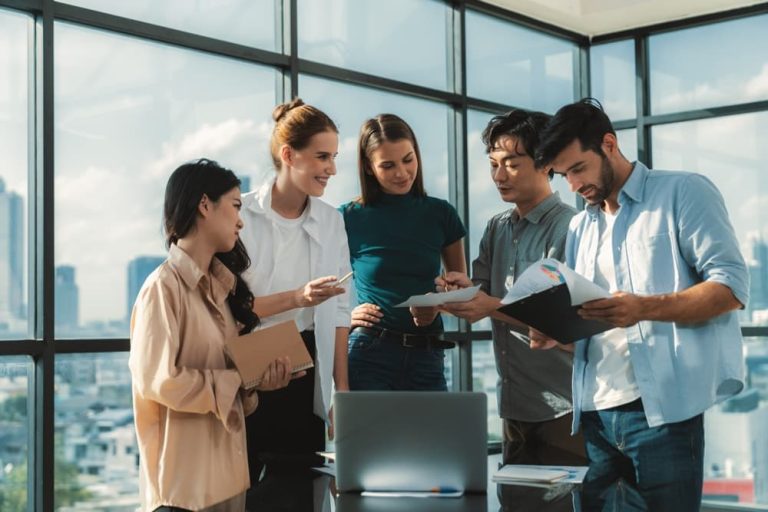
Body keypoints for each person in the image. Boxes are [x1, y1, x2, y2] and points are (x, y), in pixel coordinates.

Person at [531, 98, 749, 510]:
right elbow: (594, 321)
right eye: (564, 176)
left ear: (609, 145)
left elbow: (731, 287)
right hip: (594, 414)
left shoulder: (683, 191)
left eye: (578, 168)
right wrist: (556, 331)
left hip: (662, 416)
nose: (574, 186)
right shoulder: (580, 226)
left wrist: (643, 308)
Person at [129, 159, 297, 512]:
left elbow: (227, 386)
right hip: (184, 492)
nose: (240, 221)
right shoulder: (162, 289)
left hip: (228, 481)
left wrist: (254, 384)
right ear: (205, 204)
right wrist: (237, 380)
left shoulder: (221, 292)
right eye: (235, 206)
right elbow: (161, 383)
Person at [437, 109, 586, 466]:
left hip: (563, 408)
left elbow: (563, 320)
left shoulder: (569, 228)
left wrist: (488, 304)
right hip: (514, 405)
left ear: (545, 164)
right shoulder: (496, 227)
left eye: (512, 164)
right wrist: (458, 290)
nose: (499, 176)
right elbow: (482, 295)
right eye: (493, 164)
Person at [239, 99, 351, 486]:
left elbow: (339, 313)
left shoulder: (332, 220)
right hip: (247, 367)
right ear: (289, 154)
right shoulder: (242, 216)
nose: (332, 169)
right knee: (248, 488)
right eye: (322, 156)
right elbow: (229, 308)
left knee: (303, 488)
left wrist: (342, 392)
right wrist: (298, 298)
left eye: (334, 157)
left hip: (306, 368)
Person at [341, 113, 466, 391]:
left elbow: (459, 293)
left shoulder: (441, 213)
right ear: (369, 167)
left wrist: (436, 305)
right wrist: (346, 316)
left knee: (432, 435)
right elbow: (323, 288)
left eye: (408, 159)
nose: (402, 172)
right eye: (388, 165)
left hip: (428, 353)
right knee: (368, 437)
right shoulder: (348, 217)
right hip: (369, 352)